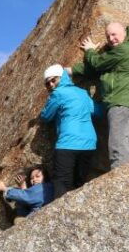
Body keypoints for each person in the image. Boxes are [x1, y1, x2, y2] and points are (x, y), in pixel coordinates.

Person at [69, 22, 129, 169]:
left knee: (118, 147)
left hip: (120, 104)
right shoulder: (118, 54)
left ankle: (120, 184)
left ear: (123, 32)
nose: (111, 38)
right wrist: (71, 70)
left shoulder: (124, 49)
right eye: (108, 36)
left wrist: (90, 51)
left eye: (114, 34)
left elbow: (97, 63)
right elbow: (96, 69)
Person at [39, 64, 99, 199]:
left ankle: (60, 217)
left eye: (53, 80)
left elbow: (46, 116)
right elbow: (95, 110)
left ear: (62, 78)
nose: (51, 85)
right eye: (47, 83)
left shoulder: (58, 94)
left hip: (68, 143)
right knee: (79, 184)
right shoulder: (82, 92)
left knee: (61, 182)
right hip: (89, 144)